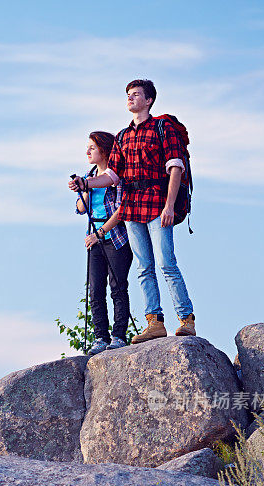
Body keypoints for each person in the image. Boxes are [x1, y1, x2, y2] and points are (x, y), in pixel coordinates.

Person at [69, 79, 196, 344]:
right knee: (144, 267)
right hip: (131, 207)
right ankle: (155, 323)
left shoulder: (163, 128)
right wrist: (85, 183)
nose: (130, 98)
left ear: (148, 100)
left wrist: (170, 205)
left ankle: (186, 320)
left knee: (166, 263)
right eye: (128, 94)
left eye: (136, 94)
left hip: (157, 203)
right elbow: (112, 175)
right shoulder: (123, 136)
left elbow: (176, 167)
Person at [75, 131, 133, 355]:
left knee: (118, 287)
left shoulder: (117, 177)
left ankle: (118, 336)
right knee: (95, 289)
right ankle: (101, 337)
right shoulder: (89, 177)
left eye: (92, 147)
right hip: (95, 240)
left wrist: (100, 233)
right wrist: (84, 189)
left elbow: (121, 211)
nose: (87, 151)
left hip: (115, 238)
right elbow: (81, 209)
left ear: (104, 150)